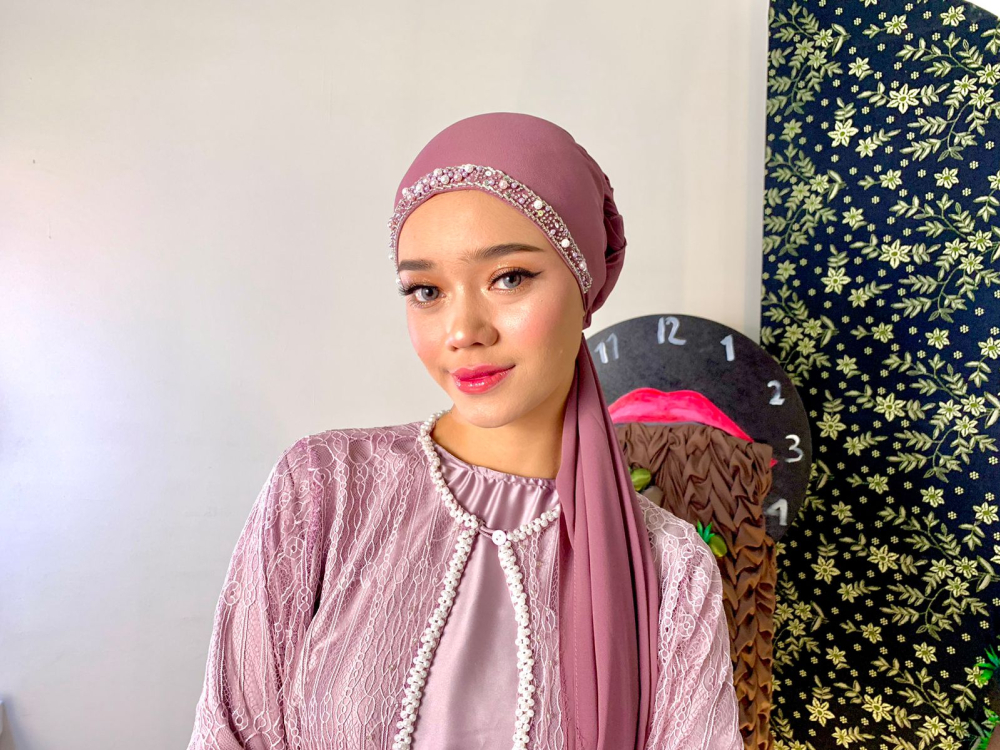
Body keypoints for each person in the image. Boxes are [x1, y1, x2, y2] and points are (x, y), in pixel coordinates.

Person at [186, 112, 741, 750]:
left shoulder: (671, 569)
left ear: (585, 283)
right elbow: (232, 732)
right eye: (426, 290)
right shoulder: (323, 489)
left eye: (509, 278)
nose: (462, 331)